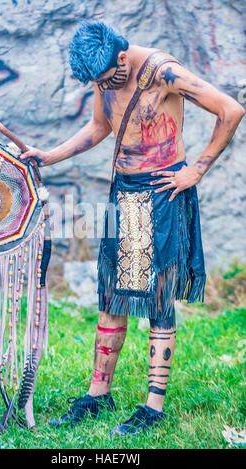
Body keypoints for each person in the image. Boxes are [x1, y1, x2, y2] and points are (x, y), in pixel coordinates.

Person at [21, 21, 245, 436]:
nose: (104, 85)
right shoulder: (104, 73)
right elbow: (99, 127)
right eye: (98, 82)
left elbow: (231, 110)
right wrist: (49, 156)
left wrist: (196, 169)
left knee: (159, 299)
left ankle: (153, 407)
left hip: (162, 194)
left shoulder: (163, 71)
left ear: (121, 58)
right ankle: (97, 394)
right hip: (124, 193)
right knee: (113, 297)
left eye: (107, 78)